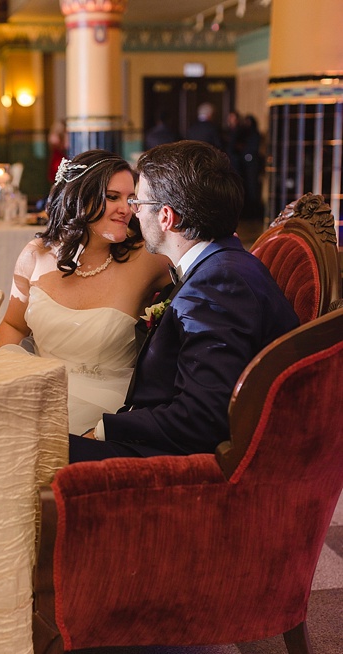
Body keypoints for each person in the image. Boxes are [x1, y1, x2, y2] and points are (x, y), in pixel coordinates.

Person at [69, 140, 300, 462]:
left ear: (166, 216)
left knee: (28, 449)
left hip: (182, 465)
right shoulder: (222, 264)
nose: (132, 211)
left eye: (138, 201)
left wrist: (106, 429)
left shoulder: (217, 285)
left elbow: (201, 417)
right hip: (168, 433)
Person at [0, 149, 171, 435]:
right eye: (113, 197)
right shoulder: (35, 254)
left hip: (106, 408)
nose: (127, 209)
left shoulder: (147, 260)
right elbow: (13, 325)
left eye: (131, 198)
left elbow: (202, 267)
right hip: (40, 390)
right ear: (78, 196)